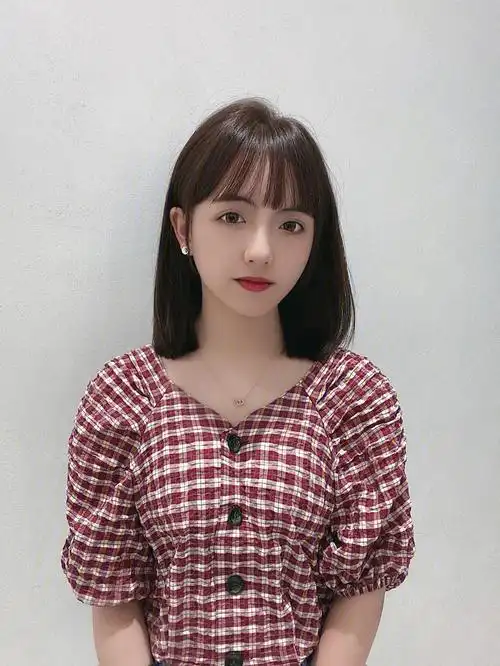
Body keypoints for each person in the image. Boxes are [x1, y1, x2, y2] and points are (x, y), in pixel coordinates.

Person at [61, 97, 415, 666]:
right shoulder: (124, 397)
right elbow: (114, 596)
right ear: (183, 227)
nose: (261, 250)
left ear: (315, 242)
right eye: (232, 217)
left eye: (291, 225)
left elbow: (360, 588)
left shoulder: (352, 398)